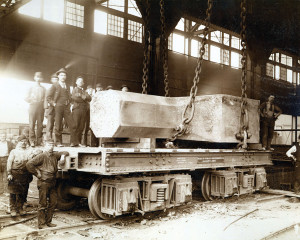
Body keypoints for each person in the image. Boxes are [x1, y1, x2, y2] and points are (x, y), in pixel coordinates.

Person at [26, 139, 69, 229]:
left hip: (52, 182)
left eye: (52, 145)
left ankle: (48, 222)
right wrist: (37, 173)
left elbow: (65, 152)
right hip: (44, 183)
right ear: (45, 146)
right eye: (49, 145)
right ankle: (41, 224)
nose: (51, 146)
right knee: (43, 204)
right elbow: (29, 164)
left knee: (53, 202)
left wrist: (62, 157)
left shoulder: (55, 155)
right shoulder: (41, 156)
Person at [46, 68, 77, 147]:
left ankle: (73, 142)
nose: (63, 76)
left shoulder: (68, 86)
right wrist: (54, 104)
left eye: (64, 75)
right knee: (58, 125)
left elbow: (69, 96)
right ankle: (58, 142)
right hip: (58, 108)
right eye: (61, 75)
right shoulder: (55, 85)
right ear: (58, 76)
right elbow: (48, 97)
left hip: (66, 107)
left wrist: (70, 101)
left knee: (72, 124)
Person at [7, 135, 36, 216]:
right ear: (18, 142)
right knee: (13, 192)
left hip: (25, 174)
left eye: (24, 141)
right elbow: (9, 162)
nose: (23, 143)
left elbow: (35, 156)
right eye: (21, 141)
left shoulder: (29, 151)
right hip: (15, 173)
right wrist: (9, 173)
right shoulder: (14, 151)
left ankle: (20, 208)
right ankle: (13, 209)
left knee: (23, 192)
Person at [24, 72, 46, 147]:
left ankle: (39, 141)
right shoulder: (31, 87)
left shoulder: (43, 88)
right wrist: (32, 100)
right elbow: (26, 97)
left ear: (42, 79)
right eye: (37, 77)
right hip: (33, 106)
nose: (38, 79)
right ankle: (32, 141)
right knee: (32, 124)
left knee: (40, 125)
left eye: (40, 77)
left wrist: (45, 107)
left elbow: (45, 99)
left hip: (40, 107)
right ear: (34, 78)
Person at [71, 76, 91, 146]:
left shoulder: (84, 91)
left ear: (83, 83)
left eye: (81, 81)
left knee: (81, 126)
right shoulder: (74, 90)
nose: (80, 82)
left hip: (83, 110)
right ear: (76, 82)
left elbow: (89, 98)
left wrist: (81, 95)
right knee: (75, 125)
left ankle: (78, 142)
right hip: (77, 109)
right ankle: (73, 142)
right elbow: (75, 98)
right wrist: (84, 98)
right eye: (79, 80)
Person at [45, 73, 58, 141]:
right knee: (50, 125)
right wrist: (46, 111)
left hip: (58, 110)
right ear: (51, 80)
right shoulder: (50, 89)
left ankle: (55, 140)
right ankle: (48, 139)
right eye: (54, 79)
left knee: (57, 125)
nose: (55, 80)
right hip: (51, 109)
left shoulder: (59, 89)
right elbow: (47, 99)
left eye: (56, 79)